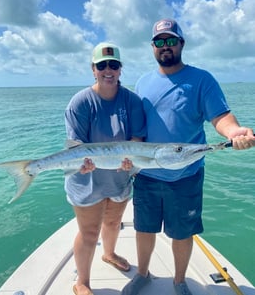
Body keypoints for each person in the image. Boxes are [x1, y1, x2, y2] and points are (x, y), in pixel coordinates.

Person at [121, 19, 255, 295]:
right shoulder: (143, 82)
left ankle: (179, 281)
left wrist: (234, 132)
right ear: (152, 47)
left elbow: (220, 116)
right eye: (160, 41)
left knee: (182, 233)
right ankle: (143, 274)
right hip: (146, 174)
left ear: (181, 43)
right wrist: (126, 160)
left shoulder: (202, 79)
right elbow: (137, 129)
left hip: (186, 175)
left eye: (171, 40)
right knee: (144, 229)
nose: (165, 46)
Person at [64, 42, 146, 295]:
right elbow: (75, 145)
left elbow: (137, 138)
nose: (108, 70)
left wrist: (131, 157)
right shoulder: (80, 102)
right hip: (86, 180)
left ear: (120, 69)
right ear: (93, 69)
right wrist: (82, 163)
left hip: (119, 177)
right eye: (102, 65)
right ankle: (82, 282)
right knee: (89, 232)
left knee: (113, 223)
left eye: (113, 65)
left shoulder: (132, 100)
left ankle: (108, 254)